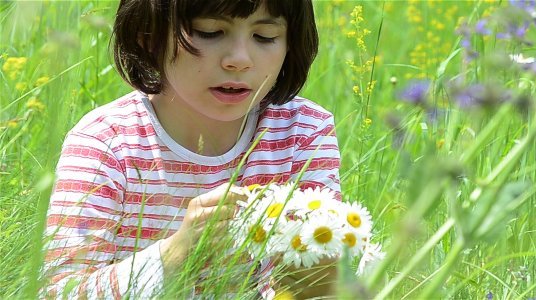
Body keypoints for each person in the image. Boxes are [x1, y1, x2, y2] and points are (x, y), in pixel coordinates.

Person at [41, 0, 341, 299]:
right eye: (209, 31)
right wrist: (176, 253)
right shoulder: (105, 142)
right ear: (149, 36)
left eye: (264, 37)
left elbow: (317, 280)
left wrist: (322, 274)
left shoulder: (303, 132)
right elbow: (59, 292)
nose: (239, 59)